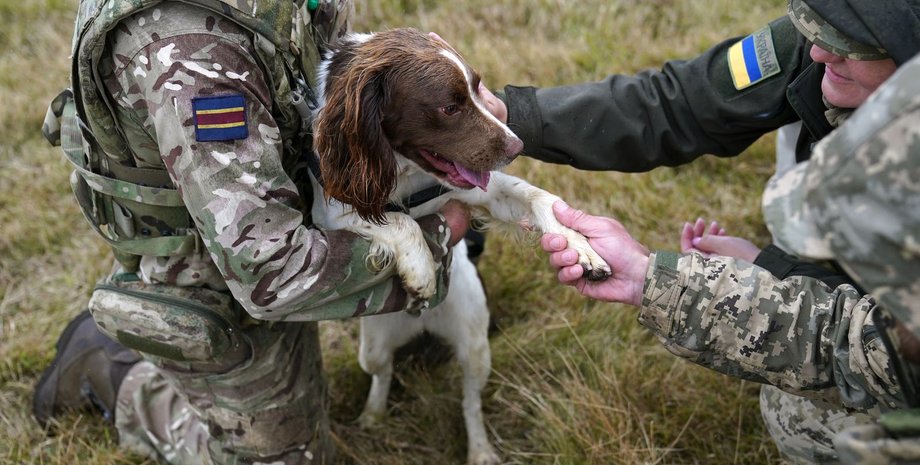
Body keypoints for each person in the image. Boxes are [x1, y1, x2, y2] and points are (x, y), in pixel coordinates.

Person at [33, 1, 471, 464]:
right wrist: (433, 240)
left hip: (290, 198)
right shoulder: (194, 56)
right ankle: (112, 370)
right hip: (220, 266)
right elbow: (270, 271)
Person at [538, 50, 920, 464]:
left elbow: (863, 351)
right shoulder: (820, 41)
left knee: (801, 415)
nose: (818, 51)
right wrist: (654, 276)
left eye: (859, 44)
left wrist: (659, 280)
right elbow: (685, 99)